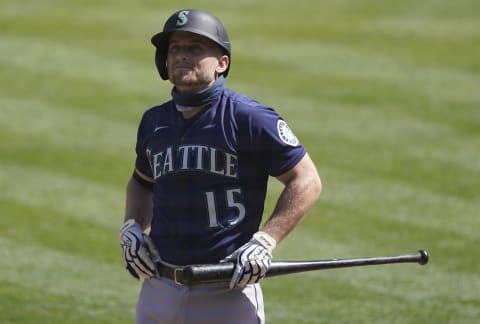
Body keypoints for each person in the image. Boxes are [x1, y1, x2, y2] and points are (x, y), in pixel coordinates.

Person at [119, 8, 322, 324]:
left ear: (222, 63)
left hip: (227, 293)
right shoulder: (153, 121)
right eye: (175, 48)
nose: (182, 56)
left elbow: (306, 180)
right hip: (158, 289)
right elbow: (142, 181)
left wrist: (265, 241)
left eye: (195, 48)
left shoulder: (248, 117)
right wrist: (131, 226)